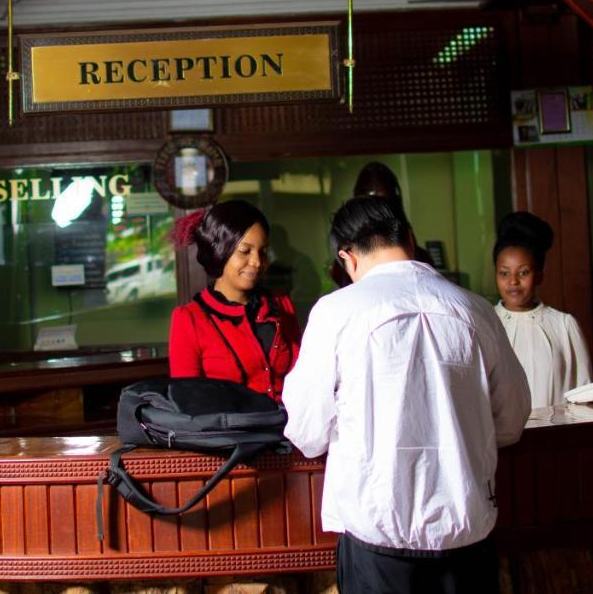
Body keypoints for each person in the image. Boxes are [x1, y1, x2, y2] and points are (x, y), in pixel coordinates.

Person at [283, 197, 530, 594]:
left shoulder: (336, 312)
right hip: (466, 537)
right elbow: (512, 420)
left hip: (379, 541)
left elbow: (307, 432)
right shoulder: (476, 308)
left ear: (347, 258)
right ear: (410, 240)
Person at [168, 200, 300, 401]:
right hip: (230, 431)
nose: (257, 262)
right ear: (220, 251)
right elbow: (189, 401)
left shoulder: (281, 305)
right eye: (245, 251)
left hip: (290, 429)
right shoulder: (190, 320)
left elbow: (304, 376)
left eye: (262, 251)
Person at [492, 211, 593, 409]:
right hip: (499, 439)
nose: (513, 281)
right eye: (504, 273)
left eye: (523, 272)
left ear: (539, 275)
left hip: (555, 434)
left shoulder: (564, 325)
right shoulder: (485, 324)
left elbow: (584, 391)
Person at [330, 161, 432, 287]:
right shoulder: (345, 260)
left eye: (384, 203)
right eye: (371, 202)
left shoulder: (421, 256)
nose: (377, 211)